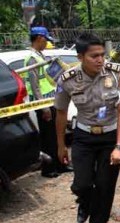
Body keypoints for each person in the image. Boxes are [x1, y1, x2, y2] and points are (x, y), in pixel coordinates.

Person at [54, 33, 120, 223]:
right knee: (82, 184)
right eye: (94, 56)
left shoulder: (117, 74)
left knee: (105, 189)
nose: (100, 60)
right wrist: (60, 145)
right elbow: (60, 113)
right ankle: (84, 201)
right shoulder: (67, 79)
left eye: (102, 55)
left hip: (110, 137)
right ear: (80, 57)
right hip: (83, 137)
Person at [23, 27, 72, 178]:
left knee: (58, 134)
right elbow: (35, 85)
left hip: (52, 101)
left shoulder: (40, 56)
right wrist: (43, 107)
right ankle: (49, 168)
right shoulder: (31, 58)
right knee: (48, 137)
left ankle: (61, 164)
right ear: (39, 38)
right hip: (43, 104)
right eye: (46, 40)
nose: (47, 43)